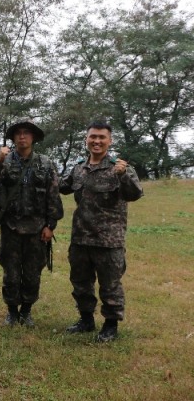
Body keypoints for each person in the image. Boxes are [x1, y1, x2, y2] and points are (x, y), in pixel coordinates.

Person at [60, 120, 143, 342]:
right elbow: (62, 186)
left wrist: (123, 175)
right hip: (80, 238)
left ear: (109, 141)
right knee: (80, 283)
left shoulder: (120, 167)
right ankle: (86, 320)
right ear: (86, 139)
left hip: (108, 240)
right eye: (93, 137)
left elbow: (134, 194)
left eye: (102, 137)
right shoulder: (79, 167)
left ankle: (110, 325)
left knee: (110, 285)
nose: (97, 141)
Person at [0, 118, 63, 327]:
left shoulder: (45, 163)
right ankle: (12, 311)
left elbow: (53, 196)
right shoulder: (6, 161)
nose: (22, 136)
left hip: (37, 229)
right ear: (13, 137)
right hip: (11, 226)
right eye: (18, 133)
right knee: (11, 272)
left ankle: (27, 311)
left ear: (33, 137)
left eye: (26, 133)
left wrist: (50, 225)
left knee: (32, 273)